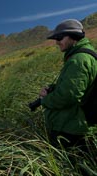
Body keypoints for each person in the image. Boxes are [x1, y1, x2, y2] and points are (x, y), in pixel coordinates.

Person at [39, 19, 97, 149]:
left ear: (73, 37)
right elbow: (78, 87)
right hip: (74, 124)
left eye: (59, 37)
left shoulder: (79, 60)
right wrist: (53, 89)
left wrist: (44, 100)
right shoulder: (81, 56)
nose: (56, 42)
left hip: (72, 129)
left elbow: (68, 96)